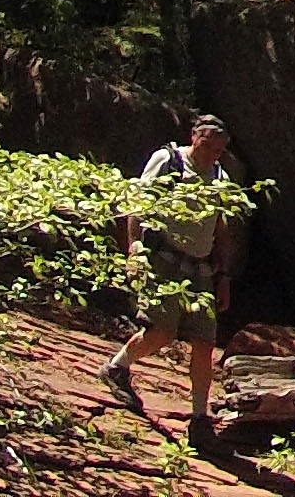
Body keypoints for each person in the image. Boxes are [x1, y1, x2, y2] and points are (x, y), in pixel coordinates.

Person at [101, 114, 237, 443]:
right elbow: (139, 207)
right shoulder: (168, 161)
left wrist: (224, 276)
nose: (210, 155)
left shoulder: (221, 178)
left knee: (205, 343)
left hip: (202, 269)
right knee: (162, 331)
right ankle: (117, 367)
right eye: (206, 146)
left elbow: (221, 229)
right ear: (194, 137)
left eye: (218, 150)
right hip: (163, 260)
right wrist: (135, 249)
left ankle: (200, 419)